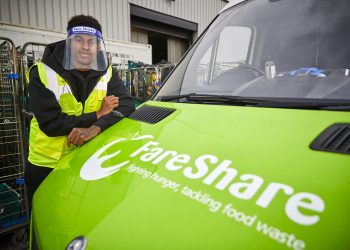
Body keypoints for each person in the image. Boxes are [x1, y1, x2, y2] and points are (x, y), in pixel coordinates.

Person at [24, 15, 135, 210]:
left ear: (97, 46)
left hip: (85, 159)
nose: (85, 46)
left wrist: (95, 128)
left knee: (76, 213)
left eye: (91, 41)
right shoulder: (42, 72)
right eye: (79, 40)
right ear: (68, 43)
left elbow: (127, 104)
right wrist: (97, 115)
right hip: (46, 164)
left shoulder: (106, 72)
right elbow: (51, 123)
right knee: (43, 216)